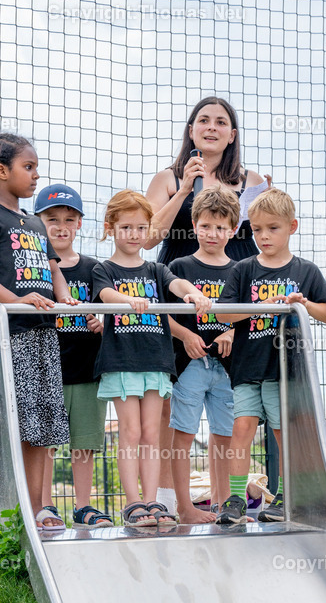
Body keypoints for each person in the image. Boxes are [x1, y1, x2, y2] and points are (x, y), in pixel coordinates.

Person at [145, 96, 271, 515]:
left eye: (221, 122)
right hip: (179, 297)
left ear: (232, 134)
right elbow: (146, 238)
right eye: (203, 120)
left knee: (230, 414)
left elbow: (268, 238)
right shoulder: (169, 176)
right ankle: (168, 503)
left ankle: (227, 502)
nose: (212, 127)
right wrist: (184, 187)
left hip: (234, 306)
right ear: (191, 130)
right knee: (171, 409)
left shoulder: (251, 179)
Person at [0, 133, 77, 531]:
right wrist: (16, 301)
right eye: (29, 167)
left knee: (43, 423)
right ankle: (17, 508)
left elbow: (54, 269)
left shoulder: (37, 223)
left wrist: (67, 299)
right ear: (1, 171)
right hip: (9, 335)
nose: (36, 175)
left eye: (37, 167)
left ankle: (42, 507)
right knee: (15, 424)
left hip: (43, 335)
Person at [215, 187, 326, 524]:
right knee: (241, 429)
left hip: (283, 370)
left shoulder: (305, 271)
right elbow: (223, 315)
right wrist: (258, 307)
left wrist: (303, 304)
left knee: (284, 435)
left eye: (273, 228)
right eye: (256, 229)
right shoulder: (243, 270)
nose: (263, 236)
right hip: (246, 367)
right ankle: (236, 499)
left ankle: (286, 497)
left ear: (292, 226)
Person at [91, 190, 211, 528]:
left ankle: (154, 501)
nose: (133, 235)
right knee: (129, 432)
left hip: (156, 362)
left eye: (141, 228)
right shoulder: (105, 268)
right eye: (126, 227)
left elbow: (177, 284)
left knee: (151, 433)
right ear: (110, 228)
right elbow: (105, 294)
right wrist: (128, 300)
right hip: (122, 361)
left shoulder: (156, 269)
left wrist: (193, 293)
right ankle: (133, 504)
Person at [34, 183, 112, 528]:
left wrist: (102, 320)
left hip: (86, 369)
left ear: (79, 224)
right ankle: (45, 506)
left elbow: (110, 306)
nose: (61, 226)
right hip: (48, 369)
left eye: (69, 219)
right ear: (38, 223)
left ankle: (83, 507)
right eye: (52, 219)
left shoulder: (94, 268)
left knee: (84, 445)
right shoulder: (35, 267)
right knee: (46, 442)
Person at [168, 186, 240, 524]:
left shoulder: (241, 271)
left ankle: (225, 504)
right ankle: (185, 508)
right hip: (189, 364)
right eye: (207, 226)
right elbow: (159, 313)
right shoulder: (180, 266)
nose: (213, 234)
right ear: (194, 224)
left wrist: (232, 331)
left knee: (224, 435)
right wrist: (184, 335)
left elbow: (252, 317)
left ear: (234, 229)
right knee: (182, 433)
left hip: (226, 368)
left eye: (221, 227)